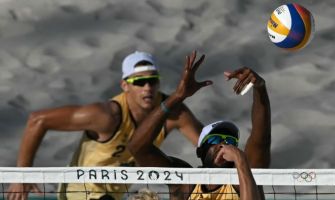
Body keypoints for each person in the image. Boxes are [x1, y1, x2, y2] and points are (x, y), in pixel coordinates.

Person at [6, 51, 204, 200]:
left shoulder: (174, 112)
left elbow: (207, 146)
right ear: (124, 85)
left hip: (116, 194)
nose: (147, 88)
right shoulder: (106, 115)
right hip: (81, 191)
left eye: (152, 81)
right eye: (140, 81)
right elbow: (37, 120)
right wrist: (22, 174)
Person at [128, 51, 271, 200]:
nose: (223, 144)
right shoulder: (186, 183)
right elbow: (137, 148)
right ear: (200, 151)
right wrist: (177, 96)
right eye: (215, 139)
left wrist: (260, 88)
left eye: (230, 141)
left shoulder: (243, 179)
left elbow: (261, 141)